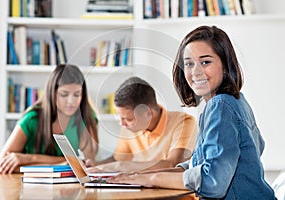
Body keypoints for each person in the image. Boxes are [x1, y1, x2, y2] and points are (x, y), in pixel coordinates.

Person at [108, 26, 276, 199]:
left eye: (205, 62)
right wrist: (141, 176)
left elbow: (213, 182)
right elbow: (199, 163)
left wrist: (152, 178)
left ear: (225, 65)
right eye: (189, 63)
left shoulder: (221, 106)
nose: (196, 72)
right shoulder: (234, 101)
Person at [0, 64, 98, 174]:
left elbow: (86, 164)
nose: (71, 101)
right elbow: (1, 166)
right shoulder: (31, 120)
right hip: (27, 186)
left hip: (66, 188)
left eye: (77, 95)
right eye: (64, 94)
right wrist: (62, 164)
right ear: (52, 93)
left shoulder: (86, 118)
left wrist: (28, 159)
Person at [88, 76, 197, 172]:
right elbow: (118, 159)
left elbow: (173, 164)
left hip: (178, 194)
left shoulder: (183, 123)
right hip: (144, 190)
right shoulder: (128, 128)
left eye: (128, 119)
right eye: (120, 118)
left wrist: (121, 166)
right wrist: (94, 165)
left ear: (148, 113)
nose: (122, 123)